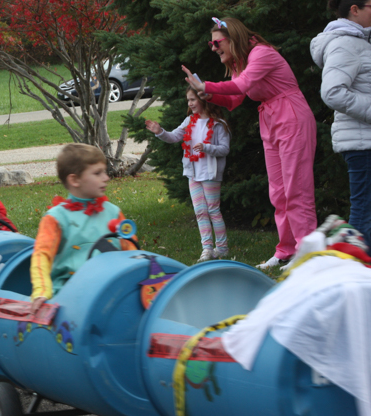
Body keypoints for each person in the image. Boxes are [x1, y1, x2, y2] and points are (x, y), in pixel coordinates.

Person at [183, 17, 318, 270]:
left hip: (291, 116)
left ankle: (307, 254)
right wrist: (208, 94)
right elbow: (235, 99)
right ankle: (286, 250)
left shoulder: (262, 54)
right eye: (211, 45)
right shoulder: (241, 63)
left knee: (296, 188)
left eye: (217, 43)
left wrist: (207, 85)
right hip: (271, 119)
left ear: (233, 38)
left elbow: (242, 85)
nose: (213, 49)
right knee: (278, 191)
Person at [30, 144, 138, 313]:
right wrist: (42, 291)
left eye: (104, 171)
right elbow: (41, 255)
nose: (106, 177)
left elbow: (133, 253)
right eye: (97, 173)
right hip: (69, 297)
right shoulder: (56, 218)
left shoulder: (114, 213)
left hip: (113, 294)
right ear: (75, 180)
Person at [311, 0, 371, 245]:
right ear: (355, 10)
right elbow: (333, 92)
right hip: (362, 143)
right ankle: (350, 270)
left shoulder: (357, 42)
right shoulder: (345, 44)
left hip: (365, 139)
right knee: (363, 212)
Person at [146, 87, 231, 262]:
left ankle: (222, 248)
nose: (190, 103)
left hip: (210, 173)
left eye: (193, 99)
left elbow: (224, 149)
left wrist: (206, 147)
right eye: (188, 100)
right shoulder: (189, 121)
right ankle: (207, 249)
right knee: (200, 212)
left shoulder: (218, 124)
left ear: (203, 99)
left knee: (213, 210)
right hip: (193, 173)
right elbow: (173, 137)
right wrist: (160, 132)